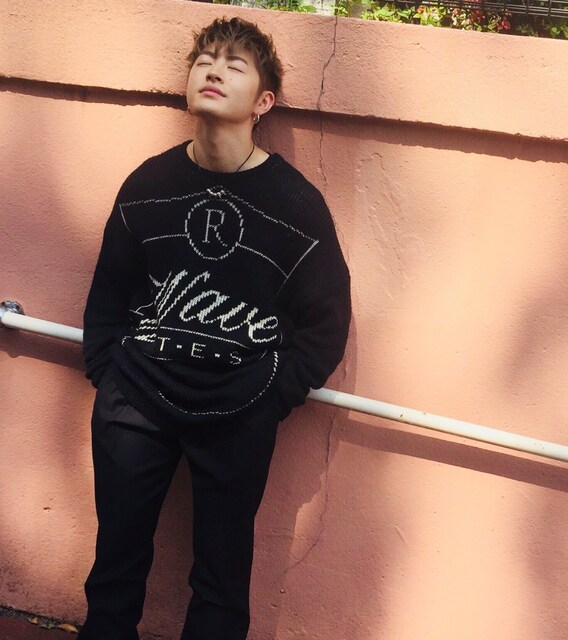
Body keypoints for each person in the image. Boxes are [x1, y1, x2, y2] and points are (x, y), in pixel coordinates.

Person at [79, 16, 351, 640]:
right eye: (204, 60)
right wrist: (109, 374)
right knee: (114, 570)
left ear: (264, 102)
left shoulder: (296, 206)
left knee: (222, 588)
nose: (214, 70)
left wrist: (268, 397)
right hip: (135, 403)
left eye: (234, 64)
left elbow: (325, 324)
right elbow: (109, 291)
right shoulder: (148, 185)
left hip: (237, 412)